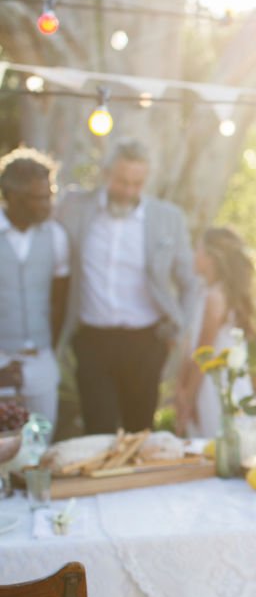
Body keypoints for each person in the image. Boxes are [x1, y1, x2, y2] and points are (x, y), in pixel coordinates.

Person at [56, 138, 198, 434]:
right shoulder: (74, 207)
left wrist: (178, 330)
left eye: (137, 183)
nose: (129, 191)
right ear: (107, 174)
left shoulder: (167, 218)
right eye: (122, 182)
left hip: (146, 341)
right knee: (99, 430)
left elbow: (189, 282)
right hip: (92, 339)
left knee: (139, 432)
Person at [0, 148, 69, 434]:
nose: (48, 205)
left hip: (41, 360)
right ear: (14, 197)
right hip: (2, 358)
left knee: (41, 450)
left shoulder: (56, 236)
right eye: (40, 198)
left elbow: (60, 300)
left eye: (50, 194)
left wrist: (48, 346)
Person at [174, 227, 256, 438]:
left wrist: (188, 400)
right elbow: (190, 347)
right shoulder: (204, 293)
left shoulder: (216, 297)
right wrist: (180, 388)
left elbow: (204, 353)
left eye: (198, 250)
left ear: (211, 258)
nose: (194, 255)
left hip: (215, 387)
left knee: (216, 445)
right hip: (202, 382)